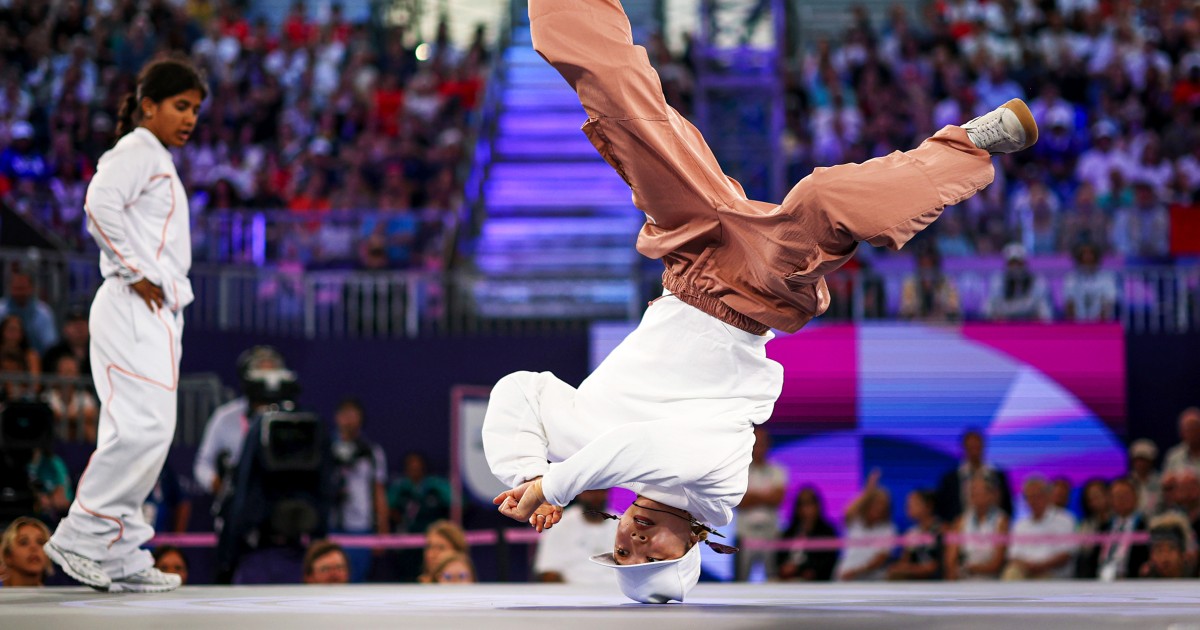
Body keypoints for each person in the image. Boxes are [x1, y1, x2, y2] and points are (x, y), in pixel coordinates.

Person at [484, 0, 1038, 605]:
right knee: (824, 200)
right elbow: (640, 450)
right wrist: (556, 486)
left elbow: (520, 391)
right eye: (654, 556)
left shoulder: (588, 451)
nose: (636, 541)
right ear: (693, 544)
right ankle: (966, 145)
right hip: (755, 290)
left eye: (624, 552)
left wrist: (524, 475)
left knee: (621, 109)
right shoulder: (716, 489)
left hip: (688, 258)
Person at [45, 57, 207, 594]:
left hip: (156, 310)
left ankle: (119, 550)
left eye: (195, 110)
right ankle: (80, 535)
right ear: (148, 107)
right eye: (180, 106)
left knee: (151, 433)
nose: (189, 118)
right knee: (141, 429)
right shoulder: (138, 150)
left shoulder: (156, 156)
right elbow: (98, 203)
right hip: (132, 302)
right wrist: (134, 271)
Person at [330, 397, 389, 583]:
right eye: (344, 414)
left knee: (357, 581)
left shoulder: (372, 452)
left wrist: (383, 530)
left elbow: (378, 491)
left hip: (361, 528)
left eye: (353, 415)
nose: (348, 419)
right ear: (336, 417)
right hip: (331, 526)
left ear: (360, 419)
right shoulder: (324, 449)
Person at [735, 426, 787, 581]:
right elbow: (740, 501)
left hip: (771, 534)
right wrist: (765, 495)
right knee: (740, 580)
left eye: (762, 443)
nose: (759, 448)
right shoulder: (739, 472)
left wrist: (751, 495)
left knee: (773, 578)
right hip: (744, 534)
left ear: (768, 445)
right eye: (755, 444)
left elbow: (777, 499)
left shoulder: (778, 471)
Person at [534, 489, 618, 584]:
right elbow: (548, 571)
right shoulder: (559, 524)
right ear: (579, 492)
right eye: (590, 491)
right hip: (571, 593)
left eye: (600, 491)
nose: (595, 496)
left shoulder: (623, 525)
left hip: (616, 592)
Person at [1002, 476, 1077, 580]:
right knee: (1011, 572)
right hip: (1025, 571)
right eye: (1029, 497)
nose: (1033, 501)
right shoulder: (1020, 524)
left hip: (1052, 572)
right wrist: (1029, 566)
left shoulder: (1065, 520)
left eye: (1037, 496)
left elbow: (1066, 554)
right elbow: (1013, 555)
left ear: (1048, 496)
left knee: (1043, 580)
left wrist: (1041, 566)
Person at [935, 429, 1014, 523]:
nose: (974, 451)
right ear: (963, 448)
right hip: (958, 532)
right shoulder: (950, 479)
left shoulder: (997, 475)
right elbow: (942, 510)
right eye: (970, 447)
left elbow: (1007, 507)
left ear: (983, 446)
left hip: (992, 529)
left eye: (977, 446)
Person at [834, 471, 896, 581]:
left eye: (882, 504)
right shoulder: (855, 522)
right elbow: (847, 512)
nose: (879, 508)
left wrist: (856, 572)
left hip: (871, 579)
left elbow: (881, 558)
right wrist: (867, 491)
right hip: (844, 574)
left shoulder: (888, 529)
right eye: (875, 503)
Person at [945, 474, 1009, 581]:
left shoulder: (1001, 521)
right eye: (972, 492)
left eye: (980, 492)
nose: (975, 496)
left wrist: (973, 568)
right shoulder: (960, 521)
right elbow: (951, 559)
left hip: (991, 579)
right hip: (964, 578)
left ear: (991, 495)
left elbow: (998, 562)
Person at [777, 486, 838, 582]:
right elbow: (779, 559)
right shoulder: (789, 532)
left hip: (814, 583)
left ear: (817, 506)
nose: (805, 509)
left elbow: (826, 563)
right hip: (786, 581)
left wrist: (798, 569)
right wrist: (784, 568)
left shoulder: (827, 532)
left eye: (809, 504)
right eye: (801, 504)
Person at [1096, 478, 1150, 581]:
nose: (1122, 500)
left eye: (1126, 495)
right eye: (1117, 496)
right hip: (1101, 580)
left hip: (1131, 581)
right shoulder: (1104, 527)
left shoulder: (1145, 526)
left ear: (1136, 497)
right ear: (1111, 500)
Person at [984, 243, 1052, 322]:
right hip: (1004, 327)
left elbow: (1046, 315)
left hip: (1030, 327)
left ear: (1025, 264)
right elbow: (988, 311)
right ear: (1006, 265)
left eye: (1019, 263)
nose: (1015, 267)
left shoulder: (1038, 282)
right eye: (1012, 263)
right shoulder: (997, 281)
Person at [887, 490, 943, 581]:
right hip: (915, 580)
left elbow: (936, 565)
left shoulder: (941, 529)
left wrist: (908, 570)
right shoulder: (911, 532)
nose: (909, 507)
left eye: (914, 503)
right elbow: (905, 561)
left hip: (936, 580)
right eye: (908, 503)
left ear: (929, 506)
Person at [42, 354, 98, 443]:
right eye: (64, 372)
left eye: (71, 372)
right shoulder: (48, 396)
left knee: (86, 426)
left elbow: (91, 414)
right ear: (56, 374)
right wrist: (74, 417)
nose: (68, 376)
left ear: (78, 375)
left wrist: (64, 417)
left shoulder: (84, 396)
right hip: (55, 440)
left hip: (77, 439)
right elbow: (49, 415)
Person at [0, 271, 58, 354]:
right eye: (16, 288)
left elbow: (50, 346)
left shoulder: (44, 313)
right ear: (10, 288)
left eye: (23, 288)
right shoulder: (1, 310)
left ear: (31, 288)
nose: (20, 292)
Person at [898, 246, 961, 322]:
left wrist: (941, 308)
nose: (926, 268)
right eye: (923, 264)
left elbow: (954, 309)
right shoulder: (910, 282)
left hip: (941, 325)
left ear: (935, 264)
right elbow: (906, 310)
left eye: (929, 263)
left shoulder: (947, 281)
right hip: (916, 324)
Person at [1062, 243, 1118, 322]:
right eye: (1084, 254)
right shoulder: (1071, 278)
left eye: (1091, 253)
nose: (1087, 257)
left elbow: (1109, 303)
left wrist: (1098, 325)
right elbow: (1069, 303)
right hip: (1077, 325)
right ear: (1079, 257)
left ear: (1096, 256)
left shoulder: (1107, 278)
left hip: (1103, 325)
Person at [1074, 478, 1112, 578]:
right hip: (1092, 572)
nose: (1095, 502)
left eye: (1097, 496)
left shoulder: (1119, 521)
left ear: (1107, 495)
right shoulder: (1085, 524)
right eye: (1090, 499)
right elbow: (1084, 552)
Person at [1139, 513, 1195, 579]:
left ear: (1182, 553)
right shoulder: (1146, 582)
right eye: (1159, 550)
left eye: (1171, 549)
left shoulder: (1195, 579)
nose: (1165, 556)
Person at [40, 305, 90, 378]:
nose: (79, 329)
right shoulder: (53, 354)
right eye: (75, 325)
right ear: (65, 328)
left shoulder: (96, 353)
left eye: (82, 324)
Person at [0, 517, 51, 587]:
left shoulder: (54, 596)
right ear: (8, 556)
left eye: (40, 542)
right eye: (24, 542)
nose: (34, 547)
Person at [0, 315, 41, 381]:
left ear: (22, 334)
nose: (13, 335)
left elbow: (36, 385)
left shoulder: (31, 356)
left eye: (16, 330)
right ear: (2, 332)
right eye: (10, 330)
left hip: (25, 390)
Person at [1128, 439, 1162, 515]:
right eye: (1137, 460)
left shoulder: (1161, 482)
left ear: (1151, 461)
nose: (1140, 463)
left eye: (1143, 460)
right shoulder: (1127, 483)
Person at [1163, 407, 1200, 478]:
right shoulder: (1173, 456)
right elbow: (1165, 485)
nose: (1192, 433)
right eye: (1188, 429)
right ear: (1181, 433)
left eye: (1194, 428)